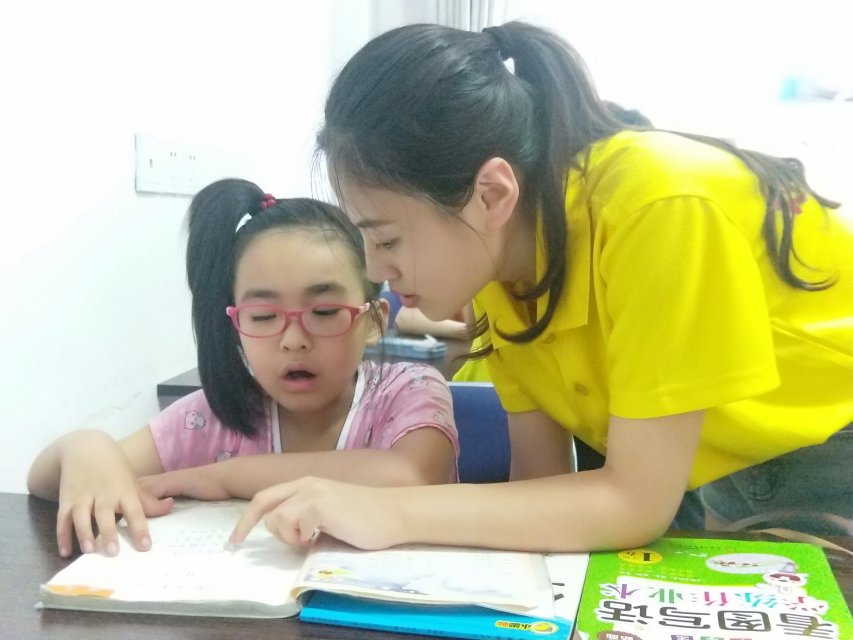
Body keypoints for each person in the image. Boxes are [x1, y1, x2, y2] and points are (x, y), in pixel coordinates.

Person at [229, 22, 852, 553]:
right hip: (710, 462)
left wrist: (389, 511)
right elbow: (540, 487)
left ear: (491, 195)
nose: (376, 268)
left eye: (387, 239)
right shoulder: (502, 267)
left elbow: (634, 503)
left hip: (827, 447)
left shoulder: (658, 206)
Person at [27, 179, 458, 558]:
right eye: (264, 316)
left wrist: (221, 478)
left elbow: (411, 475)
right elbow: (44, 481)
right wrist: (84, 447)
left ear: (374, 320)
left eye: (325, 311)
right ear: (235, 323)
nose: (293, 339)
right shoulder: (212, 418)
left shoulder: (410, 389)